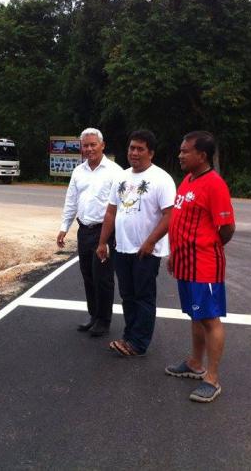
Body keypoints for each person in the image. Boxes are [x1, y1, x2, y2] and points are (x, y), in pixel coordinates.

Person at [165, 131, 235, 403]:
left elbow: (227, 228)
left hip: (204, 265)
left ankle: (212, 379)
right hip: (185, 263)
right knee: (196, 315)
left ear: (202, 155)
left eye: (185, 151)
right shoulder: (188, 179)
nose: (180, 155)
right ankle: (195, 363)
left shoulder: (215, 185)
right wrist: (175, 253)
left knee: (209, 318)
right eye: (181, 150)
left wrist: (208, 247)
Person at [97, 130, 176, 356]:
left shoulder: (162, 179)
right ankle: (129, 336)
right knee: (128, 296)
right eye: (132, 148)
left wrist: (151, 242)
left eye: (140, 149)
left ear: (151, 153)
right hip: (122, 247)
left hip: (146, 250)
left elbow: (170, 215)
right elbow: (111, 212)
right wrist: (102, 242)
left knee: (143, 296)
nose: (134, 153)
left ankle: (139, 343)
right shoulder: (121, 177)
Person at [57, 128, 123, 336]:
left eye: (93, 144)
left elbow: (122, 206)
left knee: (103, 278)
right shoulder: (78, 171)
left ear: (102, 145)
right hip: (84, 230)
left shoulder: (115, 172)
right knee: (87, 275)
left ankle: (104, 320)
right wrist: (64, 227)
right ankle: (93, 315)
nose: (89, 149)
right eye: (85, 145)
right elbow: (71, 201)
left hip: (105, 232)